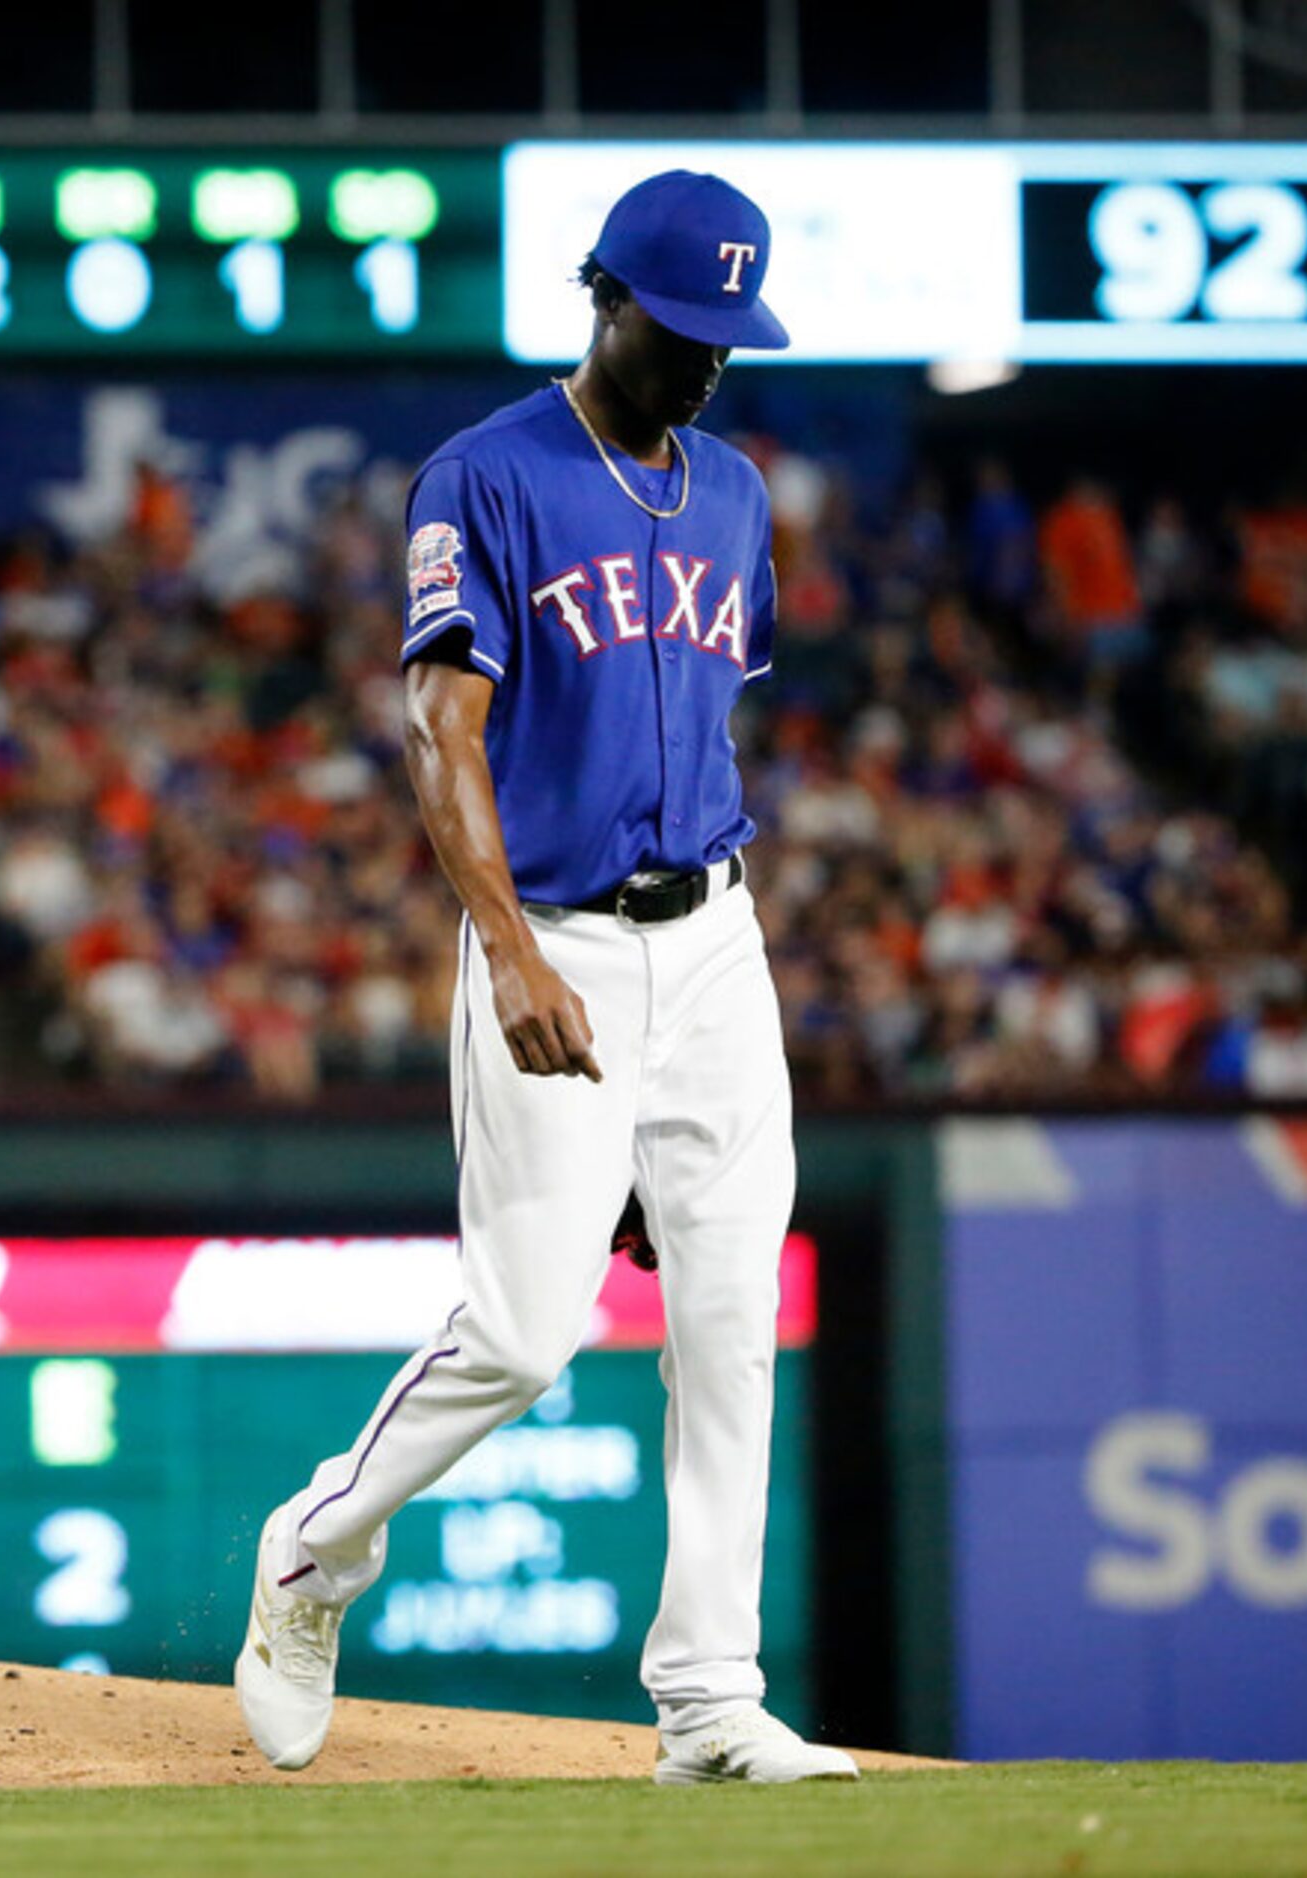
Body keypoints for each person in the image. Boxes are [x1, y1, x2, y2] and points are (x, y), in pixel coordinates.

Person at [233, 172, 859, 1785]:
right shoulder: (485, 473)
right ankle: (311, 1546)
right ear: (605, 294)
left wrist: (670, 1077)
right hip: (558, 931)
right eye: (685, 324)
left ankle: (708, 1698)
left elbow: (703, 726)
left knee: (727, 1318)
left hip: (710, 939)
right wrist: (509, 947)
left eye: (732, 331)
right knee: (520, 1335)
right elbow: (440, 730)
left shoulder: (728, 491)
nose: (710, 360)